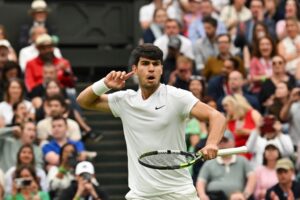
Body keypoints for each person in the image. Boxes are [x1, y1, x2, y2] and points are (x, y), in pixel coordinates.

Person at [76, 44, 226, 199]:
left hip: (179, 193)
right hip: (140, 195)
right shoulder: (125, 101)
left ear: (161, 69)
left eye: (155, 64)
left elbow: (217, 117)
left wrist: (212, 143)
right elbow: (83, 101)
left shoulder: (178, 97)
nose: (151, 69)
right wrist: (105, 84)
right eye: (145, 64)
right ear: (134, 69)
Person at [196, 130, 256, 200]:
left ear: (233, 142)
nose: (222, 144)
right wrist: (202, 196)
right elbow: (201, 181)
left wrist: (245, 195)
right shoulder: (209, 162)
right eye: (220, 142)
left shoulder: (242, 160)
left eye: (225, 141)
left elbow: (252, 177)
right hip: (214, 197)